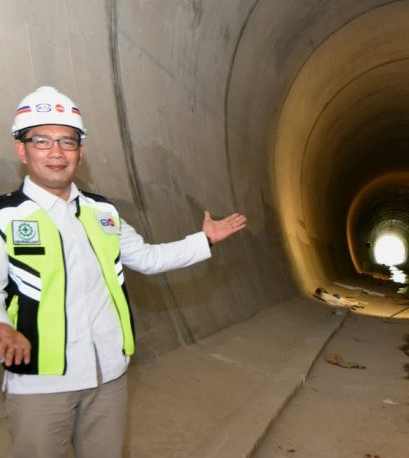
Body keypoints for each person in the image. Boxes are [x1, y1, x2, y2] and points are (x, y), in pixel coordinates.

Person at [0, 86, 247, 458]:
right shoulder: (6, 216)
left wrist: (204, 240)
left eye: (67, 142)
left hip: (107, 374)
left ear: (80, 152)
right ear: (22, 149)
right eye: (41, 140)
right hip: (41, 381)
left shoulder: (103, 212)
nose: (56, 152)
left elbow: (147, 258)